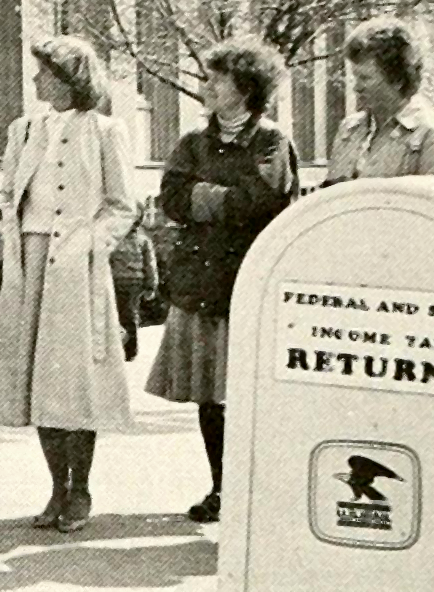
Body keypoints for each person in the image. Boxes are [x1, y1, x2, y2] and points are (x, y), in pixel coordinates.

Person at [144, 38, 299, 524]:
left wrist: (203, 199)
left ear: (245, 87)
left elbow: (264, 201)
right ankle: (222, 488)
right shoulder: (192, 142)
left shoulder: (272, 141)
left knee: (253, 394)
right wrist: (223, 199)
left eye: (217, 78)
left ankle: (260, 488)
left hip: (248, 283)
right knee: (211, 396)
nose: (206, 85)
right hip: (200, 284)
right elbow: (170, 197)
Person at [0, 35, 137, 534]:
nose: (35, 81)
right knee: (39, 380)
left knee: (75, 380)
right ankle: (56, 486)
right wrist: (10, 259)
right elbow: (11, 199)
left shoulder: (105, 131)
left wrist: (88, 244)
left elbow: (122, 206)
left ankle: (81, 488)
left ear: (70, 78)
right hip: (31, 263)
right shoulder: (24, 130)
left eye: (44, 73)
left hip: (77, 267)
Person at [324, 17, 434, 185]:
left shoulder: (430, 132)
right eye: (355, 77)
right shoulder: (348, 131)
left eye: (365, 78)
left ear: (397, 79)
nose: (356, 88)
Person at [108, 206, 160, 361]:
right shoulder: (115, 237)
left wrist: (151, 286)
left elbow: (150, 265)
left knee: (128, 316)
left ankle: (129, 350)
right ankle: (119, 349)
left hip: (131, 283)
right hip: (117, 281)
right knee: (119, 316)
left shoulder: (142, 240)